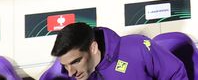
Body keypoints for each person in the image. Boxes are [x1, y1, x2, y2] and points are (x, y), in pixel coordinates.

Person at [45, 22, 187, 80]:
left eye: (76, 61)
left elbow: (176, 73)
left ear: (93, 48)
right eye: (65, 65)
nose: (71, 72)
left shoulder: (137, 48)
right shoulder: (61, 73)